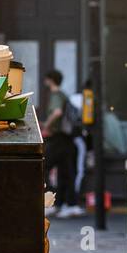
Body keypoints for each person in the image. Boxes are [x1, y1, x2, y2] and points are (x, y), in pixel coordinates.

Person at [41, 68, 82, 218]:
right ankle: (68, 204)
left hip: (58, 138)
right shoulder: (64, 95)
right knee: (66, 172)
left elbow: (57, 112)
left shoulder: (56, 95)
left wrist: (47, 125)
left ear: (50, 80)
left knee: (42, 167)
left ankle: (52, 202)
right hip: (67, 139)